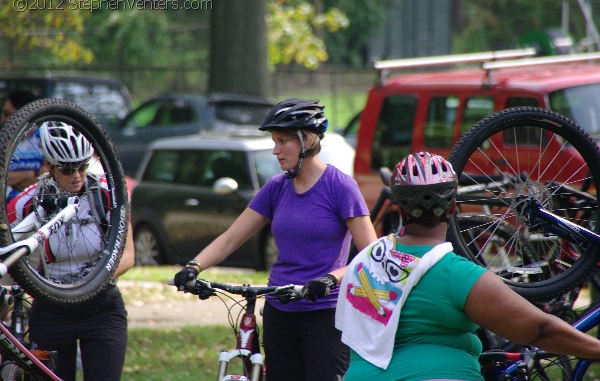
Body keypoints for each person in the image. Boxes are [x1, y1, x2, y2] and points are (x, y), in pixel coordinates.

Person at [335, 151, 600, 380]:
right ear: (452, 206)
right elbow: (540, 330)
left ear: (400, 208)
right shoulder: (456, 274)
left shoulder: (365, 261)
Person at [174, 98, 377, 381]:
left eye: (283, 141)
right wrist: (193, 267)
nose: (275, 150)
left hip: (324, 314)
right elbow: (231, 238)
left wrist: (331, 279)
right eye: (274, 141)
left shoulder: (340, 187)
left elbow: (372, 256)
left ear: (307, 141)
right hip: (279, 310)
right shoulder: (276, 188)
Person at [7, 121, 135, 381]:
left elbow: (129, 256)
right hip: (50, 307)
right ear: (49, 167)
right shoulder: (27, 202)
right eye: (67, 169)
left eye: (82, 166)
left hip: (101, 306)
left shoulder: (109, 195)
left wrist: (88, 283)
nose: (76, 175)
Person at [2, 89, 45, 201]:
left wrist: (12, 180)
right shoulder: (2, 141)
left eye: (7, 115)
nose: (4, 120)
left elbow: (49, 177)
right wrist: (30, 174)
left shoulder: (45, 139)